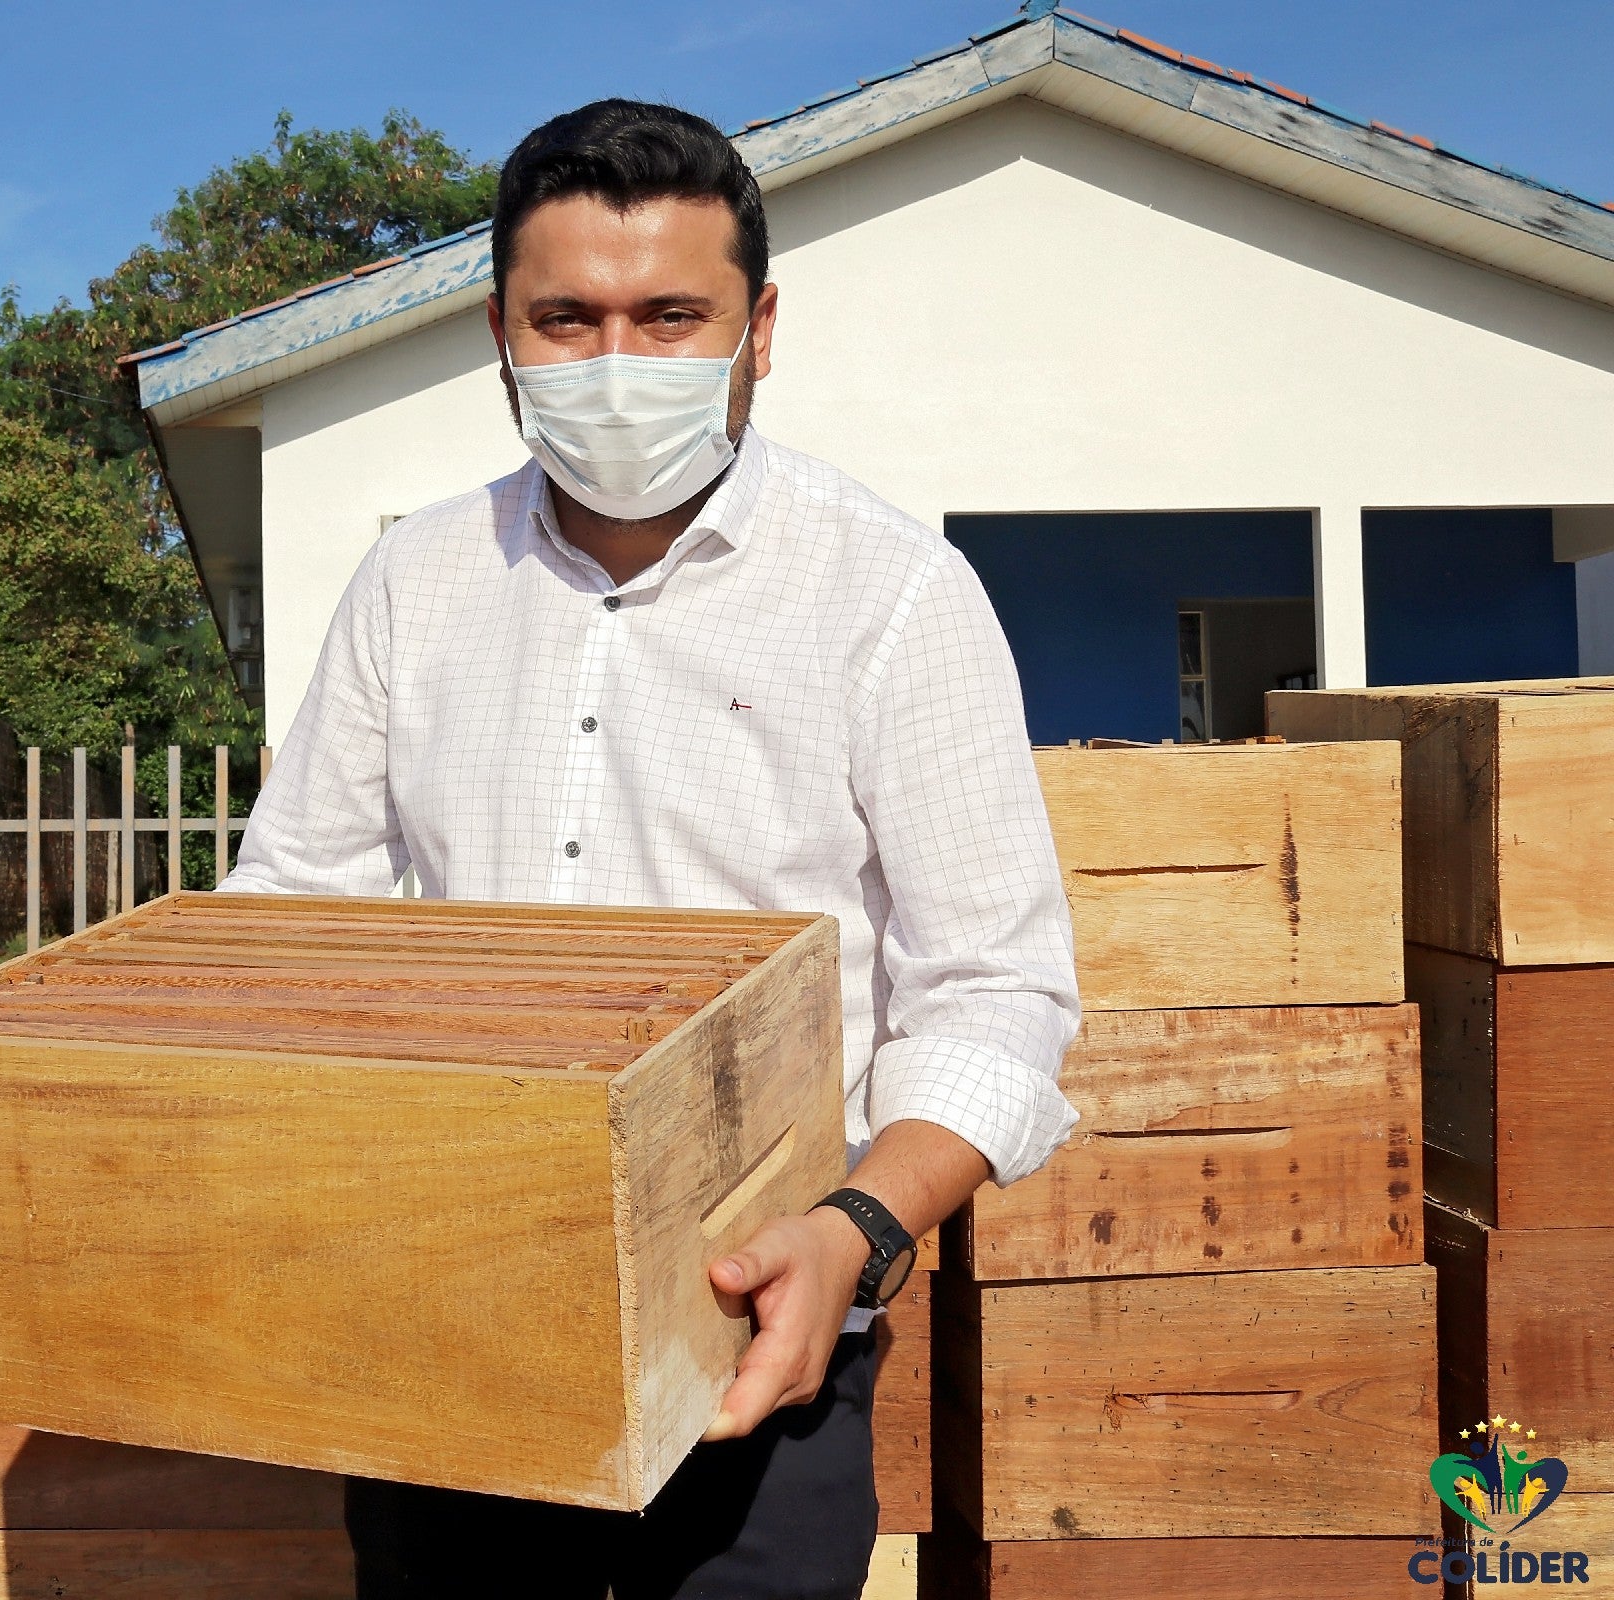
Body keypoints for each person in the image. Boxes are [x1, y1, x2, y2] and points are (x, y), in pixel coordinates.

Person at [220, 98, 1080, 1600]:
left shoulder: (893, 596)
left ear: (758, 328)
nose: (618, 364)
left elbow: (997, 993)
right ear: (500, 328)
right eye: (568, 319)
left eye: (672, 316)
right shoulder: (413, 583)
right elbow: (293, 914)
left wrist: (855, 1231)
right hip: (449, 1329)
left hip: (762, 1330)